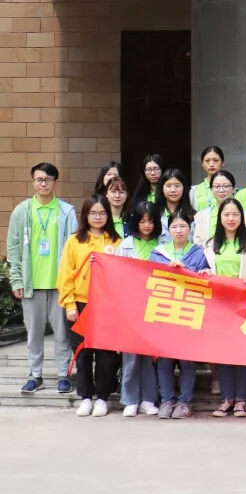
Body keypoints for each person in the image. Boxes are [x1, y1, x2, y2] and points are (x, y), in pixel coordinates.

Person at [10, 163, 78, 395]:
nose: (43, 184)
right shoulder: (22, 211)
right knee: (33, 334)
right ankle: (35, 375)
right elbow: (14, 247)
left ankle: (63, 375)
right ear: (33, 181)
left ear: (55, 182)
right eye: (39, 179)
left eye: (48, 179)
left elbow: (75, 249)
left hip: (61, 284)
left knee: (62, 333)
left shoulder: (66, 211)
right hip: (32, 284)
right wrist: (16, 280)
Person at [58, 194, 122, 417]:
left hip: (107, 306)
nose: (97, 217)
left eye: (102, 213)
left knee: (107, 355)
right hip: (80, 304)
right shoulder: (75, 241)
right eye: (93, 213)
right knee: (83, 354)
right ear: (85, 215)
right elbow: (65, 274)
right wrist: (69, 304)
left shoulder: (116, 241)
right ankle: (85, 397)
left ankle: (103, 397)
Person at [204, 197, 246, 419]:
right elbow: (201, 268)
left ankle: (241, 400)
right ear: (220, 218)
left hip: (244, 306)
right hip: (218, 306)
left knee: (242, 354)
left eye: (235, 214)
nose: (231, 219)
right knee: (222, 354)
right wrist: (205, 272)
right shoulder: (210, 245)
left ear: (242, 218)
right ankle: (227, 398)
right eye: (226, 214)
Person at [150, 211, 209, 420]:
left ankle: (184, 401)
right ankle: (166, 400)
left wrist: (187, 272)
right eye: (174, 226)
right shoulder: (158, 253)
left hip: (189, 313)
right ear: (168, 230)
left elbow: (205, 280)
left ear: (190, 229)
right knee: (164, 360)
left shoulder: (198, 253)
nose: (179, 230)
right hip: (164, 312)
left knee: (187, 360)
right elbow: (150, 278)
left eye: (183, 226)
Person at [115, 201, 163, 417]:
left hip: (155, 305)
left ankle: (148, 399)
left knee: (150, 356)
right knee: (131, 355)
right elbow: (116, 275)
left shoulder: (163, 243)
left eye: (150, 221)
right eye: (142, 221)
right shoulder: (125, 245)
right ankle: (130, 399)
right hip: (131, 307)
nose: (146, 225)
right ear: (135, 222)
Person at [193, 169, 236, 247]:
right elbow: (197, 244)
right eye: (217, 186)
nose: (221, 190)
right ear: (211, 189)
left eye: (226, 186)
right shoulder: (201, 216)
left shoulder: (244, 215)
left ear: (233, 189)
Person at [155, 168, 197, 242]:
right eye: (168, 186)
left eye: (177, 186)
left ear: (184, 188)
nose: (173, 190)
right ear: (162, 188)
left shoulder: (194, 216)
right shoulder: (154, 215)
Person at [190, 146, 224, 211]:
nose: (211, 164)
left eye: (215, 160)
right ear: (202, 164)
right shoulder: (193, 191)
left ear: (222, 163)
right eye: (207, 161)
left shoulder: (231, 190)